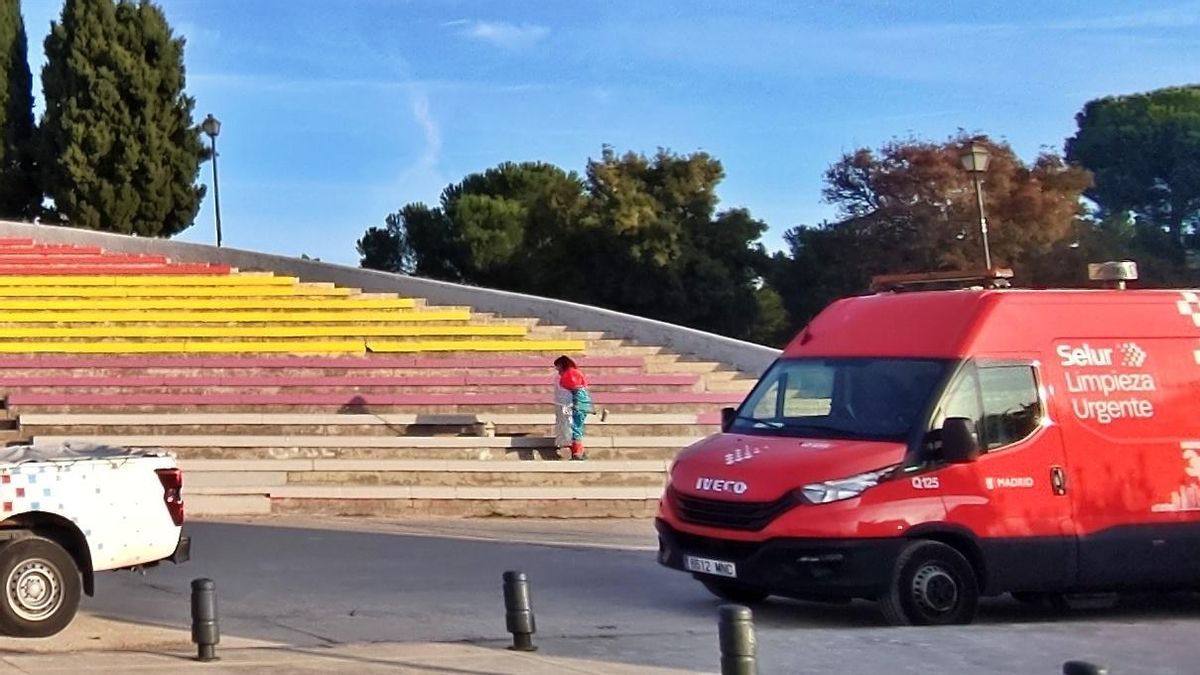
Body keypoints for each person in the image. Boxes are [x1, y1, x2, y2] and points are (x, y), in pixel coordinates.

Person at [553, 355, 592, 461]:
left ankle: (577, 452)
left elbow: (575, 390)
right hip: (580, 404)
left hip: (576, 405)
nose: (557, 370)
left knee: (574, 428)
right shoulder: (575, 373)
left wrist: (575, 404)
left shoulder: (570, 374)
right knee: (576, 428)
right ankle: (579, 451)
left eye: (558, 367)